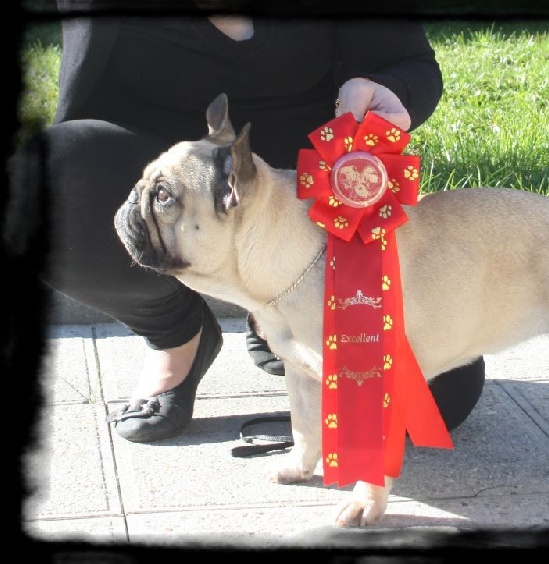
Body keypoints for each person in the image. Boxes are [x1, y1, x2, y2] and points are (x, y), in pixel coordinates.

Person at [11, 0, 486, 443]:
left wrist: (391, 92)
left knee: (437, 401)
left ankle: (277, 310)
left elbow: (409, 64)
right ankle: (177, 336)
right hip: (148, 168)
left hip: (305, 198)